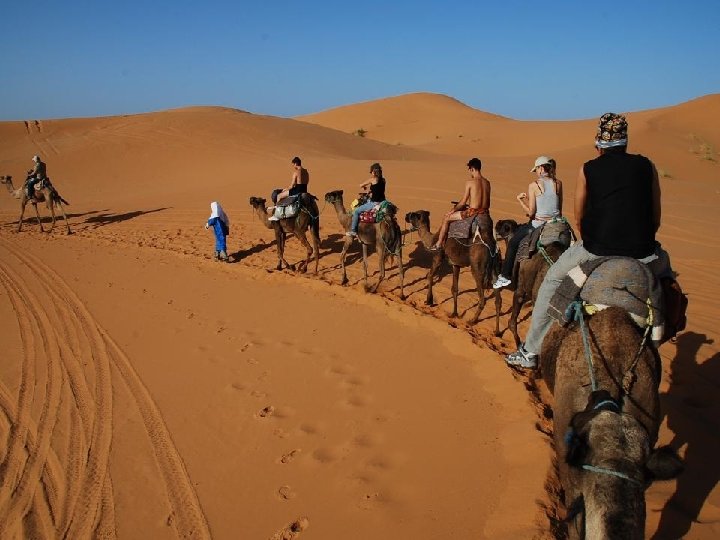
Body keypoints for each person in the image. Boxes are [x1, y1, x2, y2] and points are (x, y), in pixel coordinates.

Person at [506, 113, 672, 369]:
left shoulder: (588, 168)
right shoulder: (647, 166)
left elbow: (580, 216)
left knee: (551, 281)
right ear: (625, 143)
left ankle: (530, 351)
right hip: (644, 251)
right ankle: (665, 329)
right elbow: (656, 217)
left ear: (599, 145)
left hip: (595, 249)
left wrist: (592, 240)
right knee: (669, 279)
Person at [492, 156, 562, 289]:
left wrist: (520, 200)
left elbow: (531, 213)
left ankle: (505, 276)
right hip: (557, 224)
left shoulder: (533, 185)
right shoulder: (558, 183)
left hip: (538, 224)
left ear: (541, 168)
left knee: (512, 243)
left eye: (536, 169)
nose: (536, 172)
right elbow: (559, 208)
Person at [430, 157, 490, 250]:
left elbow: (462, 202)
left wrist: (452, 211)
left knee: (446, 218)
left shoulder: (470, 182)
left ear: (472, 169)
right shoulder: (487, 183)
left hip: (472, 212)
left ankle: (439, 243)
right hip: (485, 213)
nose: (470, 173)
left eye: (470, 170)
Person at [346, 162, 386, 237]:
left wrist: (363, 186)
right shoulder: (383, 180)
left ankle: (353, 231)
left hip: (374, 203)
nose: (371, 173)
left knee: (356, 211)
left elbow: (361, 185)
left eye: (371, 171)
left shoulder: (373, 179)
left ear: (374, 172)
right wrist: (371, 191)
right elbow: (379, 190)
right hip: (382, 201)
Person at [268, 156, 309, 221]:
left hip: (297, 191)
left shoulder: (296, 172)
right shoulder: (306, 172)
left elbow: (292, 186)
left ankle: (276, 215)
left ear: (295, 163)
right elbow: (305, 182)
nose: (293, 167)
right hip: (304, 190)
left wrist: (284, 190)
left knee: (279, 196)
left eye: (293, 165)